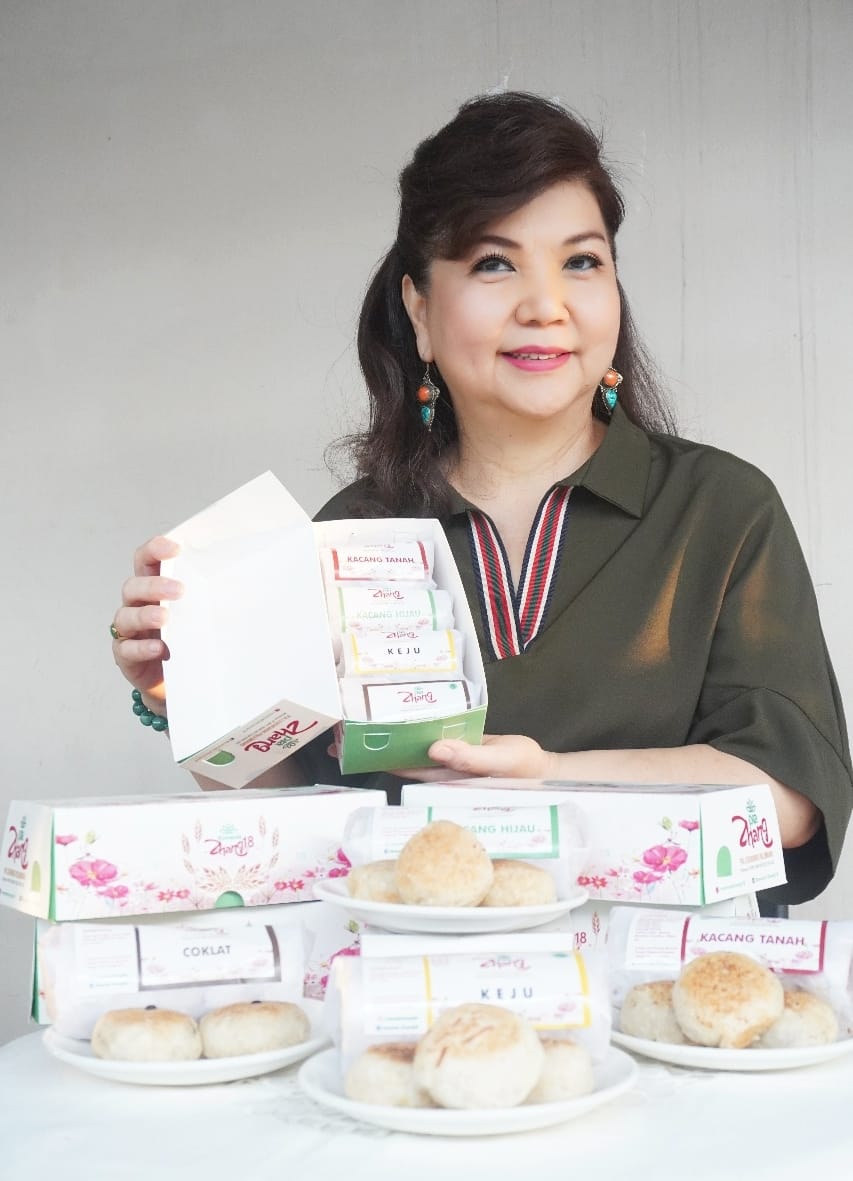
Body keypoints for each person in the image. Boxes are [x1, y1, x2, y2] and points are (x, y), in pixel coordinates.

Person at [110, 92, 851, 907]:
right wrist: (187, 691)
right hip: (409, 975)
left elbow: (788, 801)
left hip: (661, 978)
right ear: (419, 311)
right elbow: (292, 818)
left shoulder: (719, 508)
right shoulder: (349, 534)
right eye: (495, 264)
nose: (545, 305)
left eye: (581, 261)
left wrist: (550, 778)